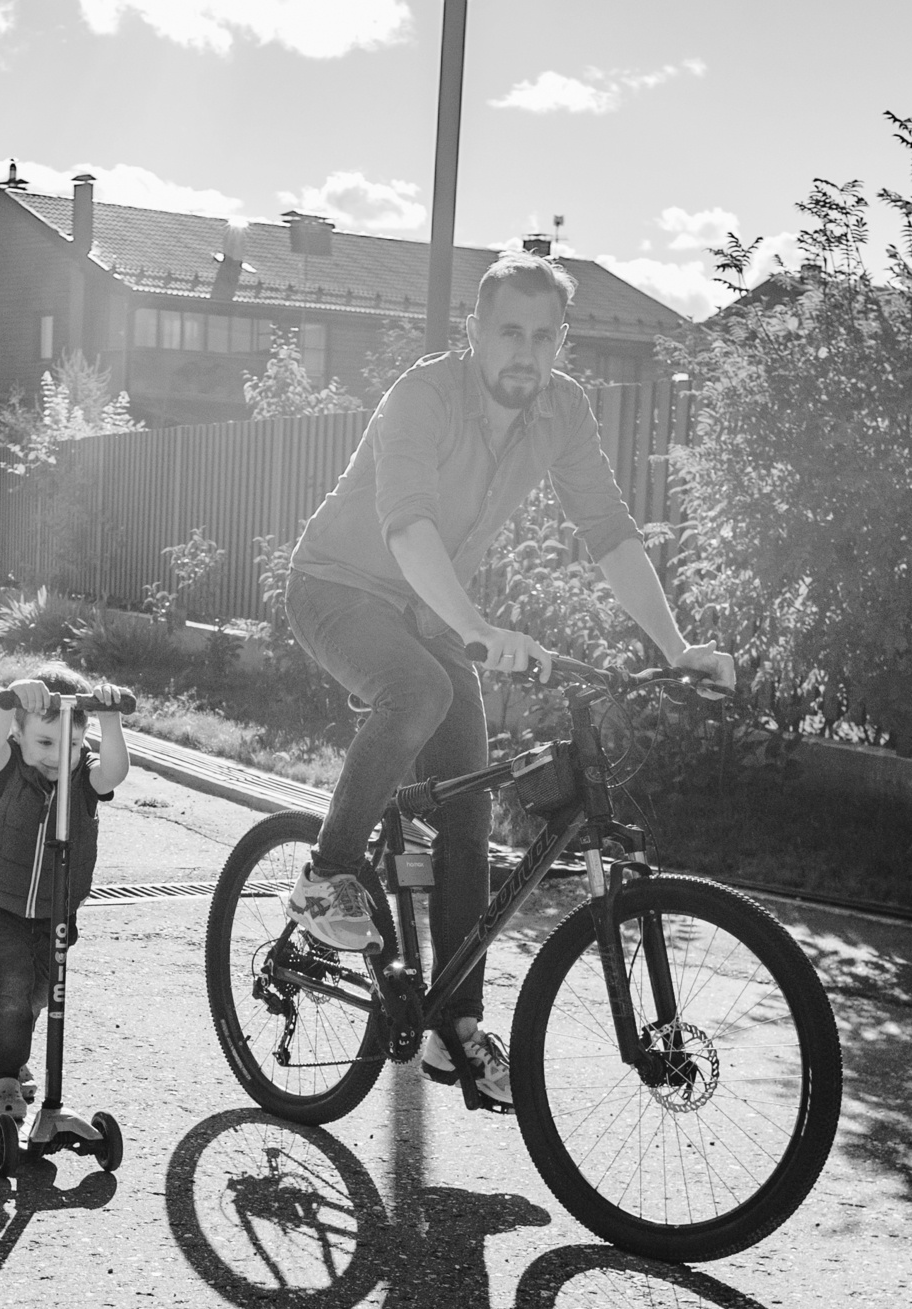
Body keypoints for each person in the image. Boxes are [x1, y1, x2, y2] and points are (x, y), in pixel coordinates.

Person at [279, 251, 734, 1103]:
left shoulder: (563, 410)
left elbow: (609, 530)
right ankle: (324, 876)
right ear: (476, 332)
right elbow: (408, 527)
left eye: (543, 337)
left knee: (470, 803)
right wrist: (478, 629)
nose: (526, 353)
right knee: (420, 692)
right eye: (510, 333)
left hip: (430, 608)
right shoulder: (422, 395)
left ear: (561, 342)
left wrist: (675, 650)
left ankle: (453, 1027)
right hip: (336, 588)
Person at [0, 666, 132, 1137]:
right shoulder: (8, 766)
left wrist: (110, 718)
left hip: (56, 912)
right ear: (20, 734)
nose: (58, 757)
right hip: (0, 905)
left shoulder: (83, 777)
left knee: (40, 994)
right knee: (14, 983)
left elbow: (114, 771)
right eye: (45, 743)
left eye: (70, 744)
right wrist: (10, 700)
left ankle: (10, 1060)